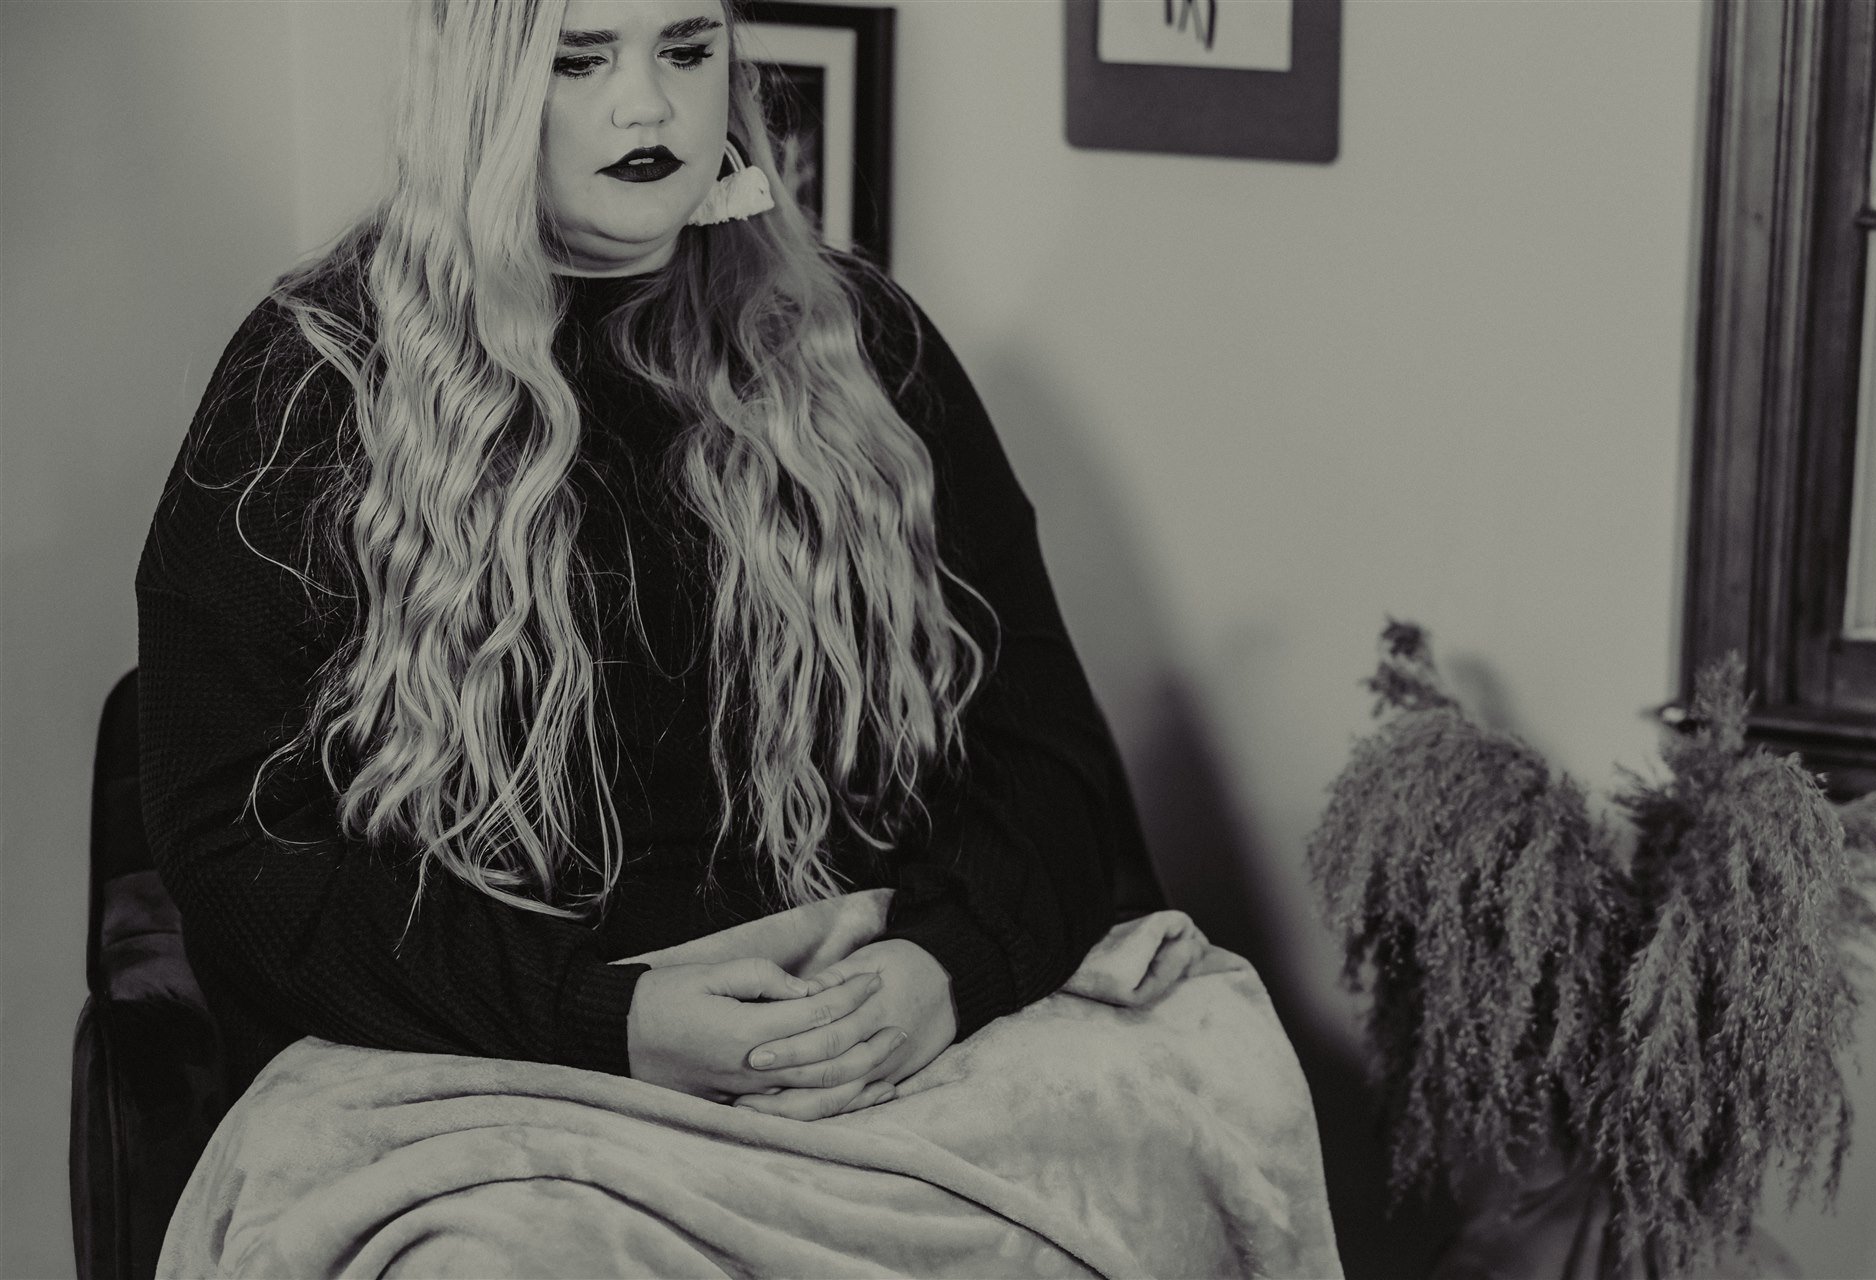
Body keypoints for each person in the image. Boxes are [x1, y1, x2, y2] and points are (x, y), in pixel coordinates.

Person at [136, 0, 1150, 1125]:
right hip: (495, 1080)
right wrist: (602, 1018)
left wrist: (943, 971)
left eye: (685, 47)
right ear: (482, 84)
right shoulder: (313, 375)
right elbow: (229, 843)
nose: (647, 103)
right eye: (578, 60)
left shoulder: (862, 348)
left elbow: (1051, 758)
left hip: (865, 1055)